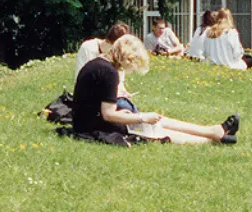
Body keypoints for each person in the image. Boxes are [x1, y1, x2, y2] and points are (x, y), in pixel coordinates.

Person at [72, 36, 239, 145]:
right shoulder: (109, 72)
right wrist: (142, 117)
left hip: (85, 121)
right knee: (154, 129)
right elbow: (108, 115)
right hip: (93, 126)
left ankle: (212, 131)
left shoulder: (100, 64)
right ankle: (208, 140)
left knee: (158, 121)